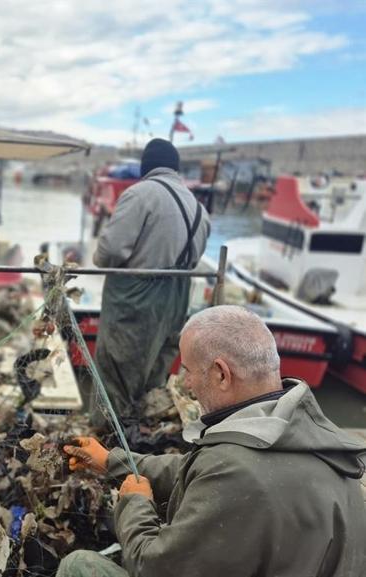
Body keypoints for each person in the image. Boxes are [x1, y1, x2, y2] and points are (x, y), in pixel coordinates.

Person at [58, 305, 366, 577]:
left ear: (221, 374)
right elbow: (200, 472)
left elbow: (153, 568)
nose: (185, 382)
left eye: (188, 370)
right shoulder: (302, 431)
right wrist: (112, 461)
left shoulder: (235, 472)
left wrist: (135, 504)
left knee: (79, 565)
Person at [92, 138, 210, 424]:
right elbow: (195, 258)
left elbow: (111, 250)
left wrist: (99, 259)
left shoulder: (140, 194)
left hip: (138, 295)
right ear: (175, 168)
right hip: (178, 296)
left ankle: (108, 437)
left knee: (118, 369)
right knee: (156, 369)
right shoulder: (198, 208)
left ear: (146, 166)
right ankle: (142, 433)